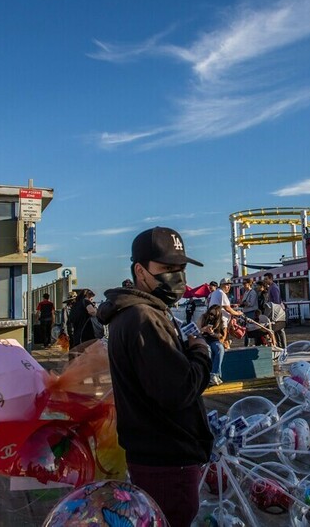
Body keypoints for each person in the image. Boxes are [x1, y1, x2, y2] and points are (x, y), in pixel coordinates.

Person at [97, 226, 211, 527]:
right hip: (167, 460)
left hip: (153, 455)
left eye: (181, 269)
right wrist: (201, 352)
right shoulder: (144, 317)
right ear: (140, 270)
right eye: (167, 268)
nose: (177, 277)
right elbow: (178, 389)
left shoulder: (136, 313)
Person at [207, 278, 243, 348]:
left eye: (229, 285)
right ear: (221, 285)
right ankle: (222, 352)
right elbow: (227, 308)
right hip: (221, 320)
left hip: (215, 319)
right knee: (222, 337)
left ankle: (226, 348)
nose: (229, 287)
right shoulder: (221, 293)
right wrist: (237, 313)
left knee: (225, 338)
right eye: (227, 285)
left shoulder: (215, 293)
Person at [199, 304, 226, 386]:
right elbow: (196, 330)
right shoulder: (203, 317)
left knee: (220, 348)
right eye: (210, 314)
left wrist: (212, 333)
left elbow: (221, 336)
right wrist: (203, 330)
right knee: (208, 349)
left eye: (214, 315)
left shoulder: (220, 321)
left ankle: (214, 374)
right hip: (203, 339)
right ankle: (209, 374)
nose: (211, 316)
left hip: (213, 340)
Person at [239, 278, 259, 346]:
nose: (243, 285)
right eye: (243, 284)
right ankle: (247, 344)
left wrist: (244, 303)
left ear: (249, 284)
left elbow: (251, 303)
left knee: (252, 329)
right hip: (246, 312)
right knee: (247, 329)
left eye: (245, 284)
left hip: (251, 312)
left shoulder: (252, 292)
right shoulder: (246, 292)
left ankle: (256, 343)